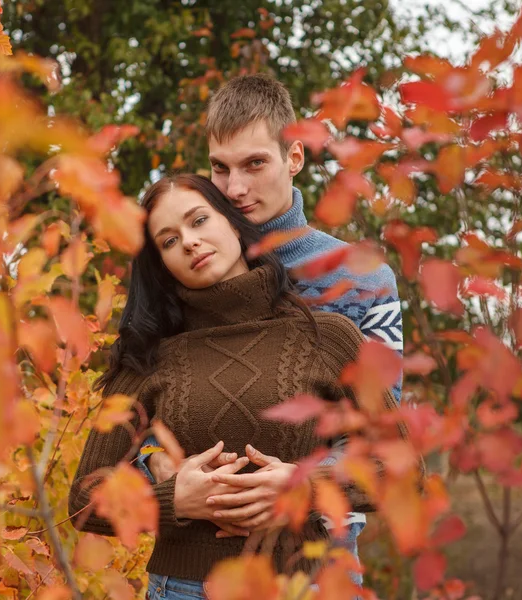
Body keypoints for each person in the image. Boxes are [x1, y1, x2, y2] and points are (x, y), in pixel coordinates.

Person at [69, 174, 411, 599]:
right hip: (184, 589)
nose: (190, 242)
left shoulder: (328, 336)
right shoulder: (147, 358)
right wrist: (172, 500)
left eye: (199, 221)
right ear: (160, 264)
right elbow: (84, 499)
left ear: (232, 222)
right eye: (169, 241)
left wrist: (305, 486)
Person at [139, 74, 404, 576]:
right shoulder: (185, 270)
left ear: (294, 158)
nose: (235, 188)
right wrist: (157, 459)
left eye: (255, 163)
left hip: (316, 561)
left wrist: (300, 482)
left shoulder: (361, 279)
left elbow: (382, 440)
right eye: (221, 168)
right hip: (194, 567)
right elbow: (141, 413)